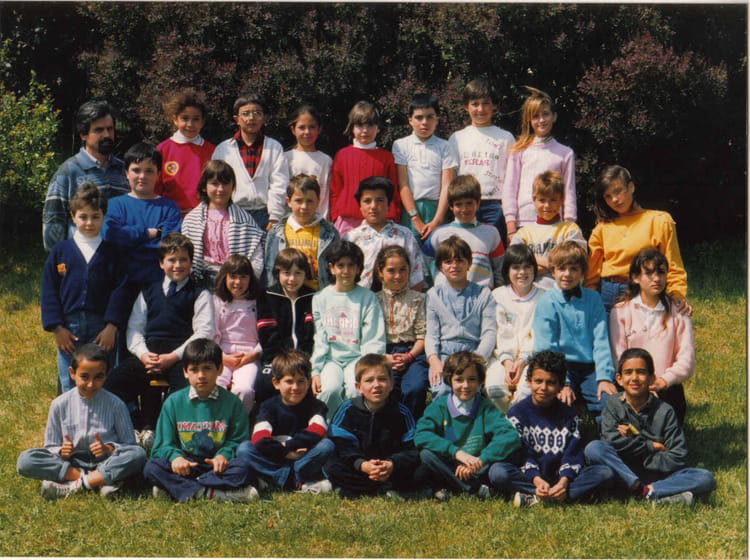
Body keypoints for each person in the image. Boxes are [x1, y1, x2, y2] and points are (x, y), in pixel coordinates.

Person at [104, 233, 214, 438]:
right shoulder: (148, 291)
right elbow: (135, 329)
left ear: (191, 262)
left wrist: (173, 357)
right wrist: (144, 355)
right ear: (161, 263)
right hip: (149, 355)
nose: (178, 265)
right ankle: (134, 426)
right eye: (172, 260)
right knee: (111, 385)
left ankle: (170, 433)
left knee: (185, 393)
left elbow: (204, 332)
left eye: (183, 260)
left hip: (182, 357)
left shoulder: (200, 293)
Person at [584, 348, 715, 505]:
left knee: (704, 477)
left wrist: (633, 447)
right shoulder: (613, 404)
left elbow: (677, 457)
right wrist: (651, 446)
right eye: (628, 372)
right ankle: (654, 493)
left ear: (652, 378)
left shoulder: (665, 411)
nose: (634, 378)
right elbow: (609, 441)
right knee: (594, 448)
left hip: (656, 474)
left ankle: (646, 491)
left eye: (641, 372)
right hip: (622, 470)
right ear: (619, 379)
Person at [17, 344, 147, 499]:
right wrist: (61, 451)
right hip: (72, 463)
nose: (91, 384)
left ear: (106, 375)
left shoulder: (116, 404)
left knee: (138, 454)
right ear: (72, 373)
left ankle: (72, 485)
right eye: (84, 377)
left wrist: (108, 448)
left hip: (106, 462)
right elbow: (50, 446)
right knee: (26, 460)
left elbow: (129, 445)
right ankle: (96, 481)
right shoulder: (59, 404)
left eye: (98, 377)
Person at [492, 350, 615, 507]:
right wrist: (537, 480)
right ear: (528, 382)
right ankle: (544, 494)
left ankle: (541, 496)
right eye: (538, 381)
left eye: (551, 383)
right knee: (498, 472)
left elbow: (573, 454)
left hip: (560, 477)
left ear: (560, 386)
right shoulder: (517, 413)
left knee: (604, 473)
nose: (543, 388)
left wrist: (563, 481)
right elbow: (522, 455)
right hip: (530, 477)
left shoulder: (569, 413)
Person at [143, 338, 258, 503]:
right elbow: (162, 445)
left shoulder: (232, 403)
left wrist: (223, 455)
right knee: (152, 467)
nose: (201, 375)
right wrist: (176, 458)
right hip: (186, 466)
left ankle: (178, 488)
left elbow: (238, 440)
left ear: (220, 369)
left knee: (245, 467)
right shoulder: (173, 402)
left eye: (207, 368)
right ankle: (212, 493)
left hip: (218, 467)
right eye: (194, 370)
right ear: (185, 372)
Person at [41, 182, 128, 393]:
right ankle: (70, 414)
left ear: (103, 216)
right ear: (73, 216)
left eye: (95, 217)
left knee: (103, 378)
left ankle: (102, 414)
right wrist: (57, 328)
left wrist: (111, 327)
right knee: (71, 379)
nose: (89, 223)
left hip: (101, 328)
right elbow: (49, 291)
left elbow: (121, 291)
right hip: (69, 328)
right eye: (83, 217)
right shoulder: (60, 252)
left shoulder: (113, 253)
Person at [584, 165, 690, 315]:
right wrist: (590, 300)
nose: (614, 200)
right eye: (608, 196)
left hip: (644, 291)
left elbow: (673, 264)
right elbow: (591, 275)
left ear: (631, 187)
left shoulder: (659, 221)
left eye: (618, 191)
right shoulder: (602, 228)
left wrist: (676, 294)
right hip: (607, 294)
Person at [415, 351, 520, 499]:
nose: (465, 385)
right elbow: (421, 435)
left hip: (478, 466)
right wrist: (457, 453)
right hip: (452, 464)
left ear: (480, 381)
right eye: (459, 380)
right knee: (426, 455)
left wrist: (481, 460)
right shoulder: (439, 407)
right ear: (449, 380)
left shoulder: (486, 407)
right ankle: (474, 488)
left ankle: (456, 486)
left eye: (471, 379)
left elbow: (510, 436)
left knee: (499, 466)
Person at [609, 248, 694, 423]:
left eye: (661, 272)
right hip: (631, 386)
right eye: (648, 273)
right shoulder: (621, 311)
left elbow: (687, 359)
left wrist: (663, 381)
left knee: (663, 433)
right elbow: (618, 355)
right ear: (635, 277)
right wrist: (639, 383)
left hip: (666, 388)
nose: (656, 279)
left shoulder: (678, 312)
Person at [532, 240, 616, 417]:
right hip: (561, 367)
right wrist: (564, 382)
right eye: (562, 268)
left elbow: (601, 341)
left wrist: (604, 378)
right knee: (561, 402)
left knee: (608, 402)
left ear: (582, 272)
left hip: (590, 367)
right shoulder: (547, 301)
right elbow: (547, 347)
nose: (567, 274)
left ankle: (605, 434)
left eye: (574, 269)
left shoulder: (593, 299)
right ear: (553, 271)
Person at [326, 354, 425, 498]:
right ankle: (382, 488)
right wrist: (362, 464)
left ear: (391, 384)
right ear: (358, 387)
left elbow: (411, 449)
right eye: (369, 380)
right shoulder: (347, 409)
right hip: (359, 466)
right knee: (331, 464)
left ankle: (365, 488)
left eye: (382, 379)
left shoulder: (402, 412)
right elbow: (341, 445)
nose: (376, 385)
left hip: (389, 468)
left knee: (422, 467)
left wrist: (391, 464)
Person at [237, 349, 334, 493]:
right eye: (289, 381)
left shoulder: (316, 405)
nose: (295, 387)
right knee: (244, 449)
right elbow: (259, 438)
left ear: (308, 382)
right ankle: (294, 480)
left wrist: (289, 446)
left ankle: (277, 479)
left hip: (303, 459)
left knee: (326, 445)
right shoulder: (268, 406)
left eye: (301, 381)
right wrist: (285, 452)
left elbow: (318, 430)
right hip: (276, 457)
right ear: (276, 383)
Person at [310, 240, 386, 418]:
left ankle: (353, 428)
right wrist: (316, 371)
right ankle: (326, 427)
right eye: (340, 265)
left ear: (359, 268)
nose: (346, 271)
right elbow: (319, 339)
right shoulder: (320, 298)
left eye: (351, 265)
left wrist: (368, 368)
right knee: (329, 389)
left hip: (358, 359)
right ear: (331, 268)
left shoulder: (367, 298)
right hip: (331, 360)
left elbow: (373, 338)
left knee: (355, 390)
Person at [43, 100, 129, 250]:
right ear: (83, 134)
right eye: (99, 130)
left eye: (110, 129)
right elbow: (53, 225)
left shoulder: (126, 171)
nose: (107, 135)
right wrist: (60, 260)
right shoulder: (67, 173)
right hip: (80, 259)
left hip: (121, 259)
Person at [103, 142, 182, 289]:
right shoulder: (114, 205)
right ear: (126, 173)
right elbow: (111, 237)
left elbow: (168, 249)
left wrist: (130, 242)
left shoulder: (169, 208)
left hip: (158, 282)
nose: (142, 176)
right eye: (136, 170)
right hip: (121, 281)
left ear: (158, 174)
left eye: (149, 171)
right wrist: (150, 233)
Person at [425, 235, 496, 397]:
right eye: (448, 262)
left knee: (469, 389)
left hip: (473, 353)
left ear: (469, 263)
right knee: (442, 390)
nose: (454, 266)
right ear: (440, 266)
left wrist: (477, 360)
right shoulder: (433, 295)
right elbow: (431, 334)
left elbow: (489, 333)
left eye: (459, 260)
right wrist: (434, 361)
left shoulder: (483, 294)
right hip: (444, 353)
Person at [447, 78, 515, 242]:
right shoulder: (457, 138)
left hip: (494, 205)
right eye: (475, 104)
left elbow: (512, 179)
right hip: (464, 203)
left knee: (494, 249)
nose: (480, 109)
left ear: (494, 105)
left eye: (486, 103)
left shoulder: (506, 138)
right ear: (466, 106)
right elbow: (451, 178)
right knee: (465, 247)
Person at [503, 87, 576, 237]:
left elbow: (569, 192)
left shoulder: (565, 153)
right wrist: (511, 226)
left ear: (554, 116)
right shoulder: (518, 150)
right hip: (523, 223)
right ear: (529, 120)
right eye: (535, 116)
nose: (541, 120)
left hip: (554, 225)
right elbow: (510, 189)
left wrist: (569, 225)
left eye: (545, 114)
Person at [181, 160, 265, 289]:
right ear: (204, 186)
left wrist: (247, 282)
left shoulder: (244, 220)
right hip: (201, 281)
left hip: (235, 283)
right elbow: (184, 255)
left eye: (225, 183)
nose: (220, 189)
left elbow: (256, 255)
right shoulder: (192, 220)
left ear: (233, 187)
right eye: (214, 184)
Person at [212, 93, 289, 231]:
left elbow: (279, 183)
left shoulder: (274, 147)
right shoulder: (224, 149)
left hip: (265, 214)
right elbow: (216, 183)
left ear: (264, 117)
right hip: (232, 213)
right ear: (237, 119)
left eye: (257, 113)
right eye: (245, 114)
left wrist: (275, 216)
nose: (251, 118)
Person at [485, 244, 545, 412]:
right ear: (507, 270)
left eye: (527, 267)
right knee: (495, 390)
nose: (522, 272)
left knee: (527, 392)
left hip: (532, 358)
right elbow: (500, 332)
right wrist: (507, 361)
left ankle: (518, 421)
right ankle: (504, 422)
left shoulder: (544, 297)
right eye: (516, 267)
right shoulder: (497, 296)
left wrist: (522, 361)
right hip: (501, 358)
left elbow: (538, 335)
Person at [391, 93, 457, 241]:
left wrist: (437, 220)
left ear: (437, 119)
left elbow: (447, 185)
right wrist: (415, 218)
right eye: (419, 117)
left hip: (438, 209)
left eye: (430, 117)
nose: (424, 122)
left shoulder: (445, 146)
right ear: (410, 120)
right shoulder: (401, 145)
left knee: (438, 251)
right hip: (411, 210)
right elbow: (403, 185)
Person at [255, 248, 316, 406]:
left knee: (310, 385)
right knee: (265, 384)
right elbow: (267, 335)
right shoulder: (267, 296)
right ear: (278, 273)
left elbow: (311, 335)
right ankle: (265, 418)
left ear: (305, 274)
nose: (292, 279)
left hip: (306, 359)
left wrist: (304, 358)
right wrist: (283, 361)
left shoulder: (312, 296)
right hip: (276, 359)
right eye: (286, 273)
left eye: (298, 273)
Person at [329, 101, 401, 236]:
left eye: (370, 125)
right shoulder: (342, 155)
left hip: (379, 219)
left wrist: (394, 215)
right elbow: (335, 190)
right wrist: (335, 216)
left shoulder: (386, 157)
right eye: (359, 125)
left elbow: (394, 191)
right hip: (348, 220)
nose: (365, 130)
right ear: (352, 128)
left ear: (378, 128)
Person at [374, 245, 429, 419]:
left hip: (413, 352)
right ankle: (388, 429)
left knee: (415, 387)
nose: (398, 276)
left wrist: (409, 356)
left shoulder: (419, 299)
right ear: (380, 272)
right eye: (391, 271)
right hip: (383, 352)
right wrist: (385, 357)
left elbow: (422, 336)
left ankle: (411, 427)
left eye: (402, 270)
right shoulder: (373, 300)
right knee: (385, 387)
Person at [422, 174, 505, 289]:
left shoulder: (491, 232)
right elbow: (424, 262)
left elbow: (500, 268)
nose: (464, 209)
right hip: (446, 295)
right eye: (458, 204)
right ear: (451, 206)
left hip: (481, 295)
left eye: (469, 203)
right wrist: (432, 285)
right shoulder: (439, 233)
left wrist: (497, 292)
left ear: (478, 202)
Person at [343, 176, 425, 291]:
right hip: (361, 299)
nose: (373, 206)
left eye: (380, 200)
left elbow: (417, 275)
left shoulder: (404, 235)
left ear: (389, 204)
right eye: (367, 201)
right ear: (360, 206)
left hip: (399, 298)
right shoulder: (351, 238)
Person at [509, 170, 586, 290]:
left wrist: (531, 262)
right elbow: (514, 264)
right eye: (542, 200)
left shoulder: (571, 230)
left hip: (562, 293)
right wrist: (555, 264)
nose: (547, 205)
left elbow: (573, 262)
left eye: (553, 200)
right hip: (529, 294)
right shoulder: (523, 234)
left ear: (561, 200)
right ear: (534, 200)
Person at [264, 174, 339, 291]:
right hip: (286, 295)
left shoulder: (330, 233)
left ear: (318, 201)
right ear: (288, 201)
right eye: (298, 201)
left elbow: (335, 269)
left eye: (310, 201)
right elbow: (270, 269)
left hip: (317, 295)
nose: (304, 206)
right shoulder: (276, 233)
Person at [212, 255, 262, 413]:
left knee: (244, 389)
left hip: (249, 356)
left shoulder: (258, 301)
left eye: (243, 277)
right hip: (222, 355)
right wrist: (221, 357)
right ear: (225, 277)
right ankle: (216, 422)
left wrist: (253, 354)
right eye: (233, 277)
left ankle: (239, 422)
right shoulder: (216, 301)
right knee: (215, 386)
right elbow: (211, 333)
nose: (238, 282)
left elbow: (266, 335)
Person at [156, 88, 215, 215]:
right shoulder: (163, 149)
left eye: (196, 119)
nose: (190, 124)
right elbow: (156, 187)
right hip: (170, 215)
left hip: (202, 216)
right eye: (185, 118)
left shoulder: (211, 150)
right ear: (175, 119)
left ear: (202, 122)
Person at [284, 105, 332, 219]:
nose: (307, 132)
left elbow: (326, 195)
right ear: (293, 129)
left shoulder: (325, 161)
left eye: (312, 127)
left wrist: (323, 220)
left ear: (319, 129)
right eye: (302, 127)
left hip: (317, 221)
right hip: (289, 221)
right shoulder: (285, 158)